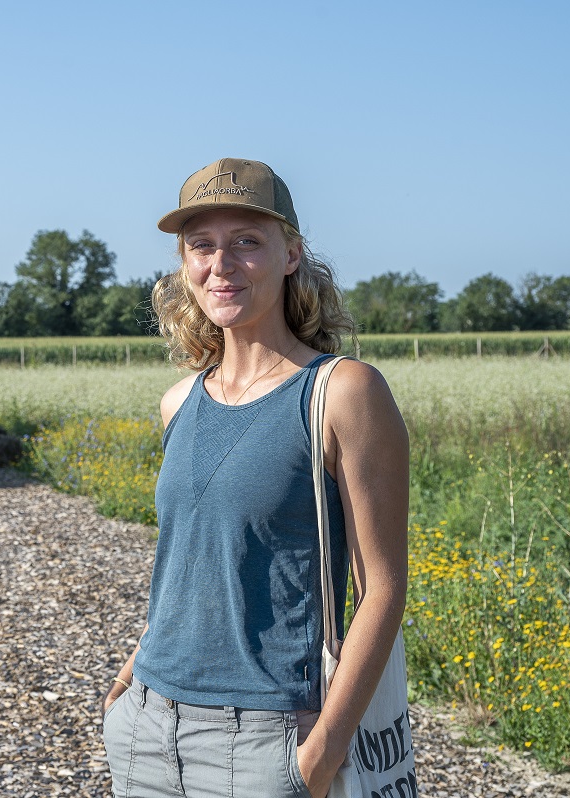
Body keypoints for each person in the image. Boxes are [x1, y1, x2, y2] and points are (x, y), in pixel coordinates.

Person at [101, 158, 408, 798]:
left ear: (291, 253)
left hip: (267, 735)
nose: (222, 264)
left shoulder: (341, 391)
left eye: (247, 242)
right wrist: (131, 681)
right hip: (147, 725)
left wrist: (323, 749)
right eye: (202, 246)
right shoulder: (179, 401)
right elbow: (189, 558)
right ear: (184, 263)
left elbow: (381, 587)